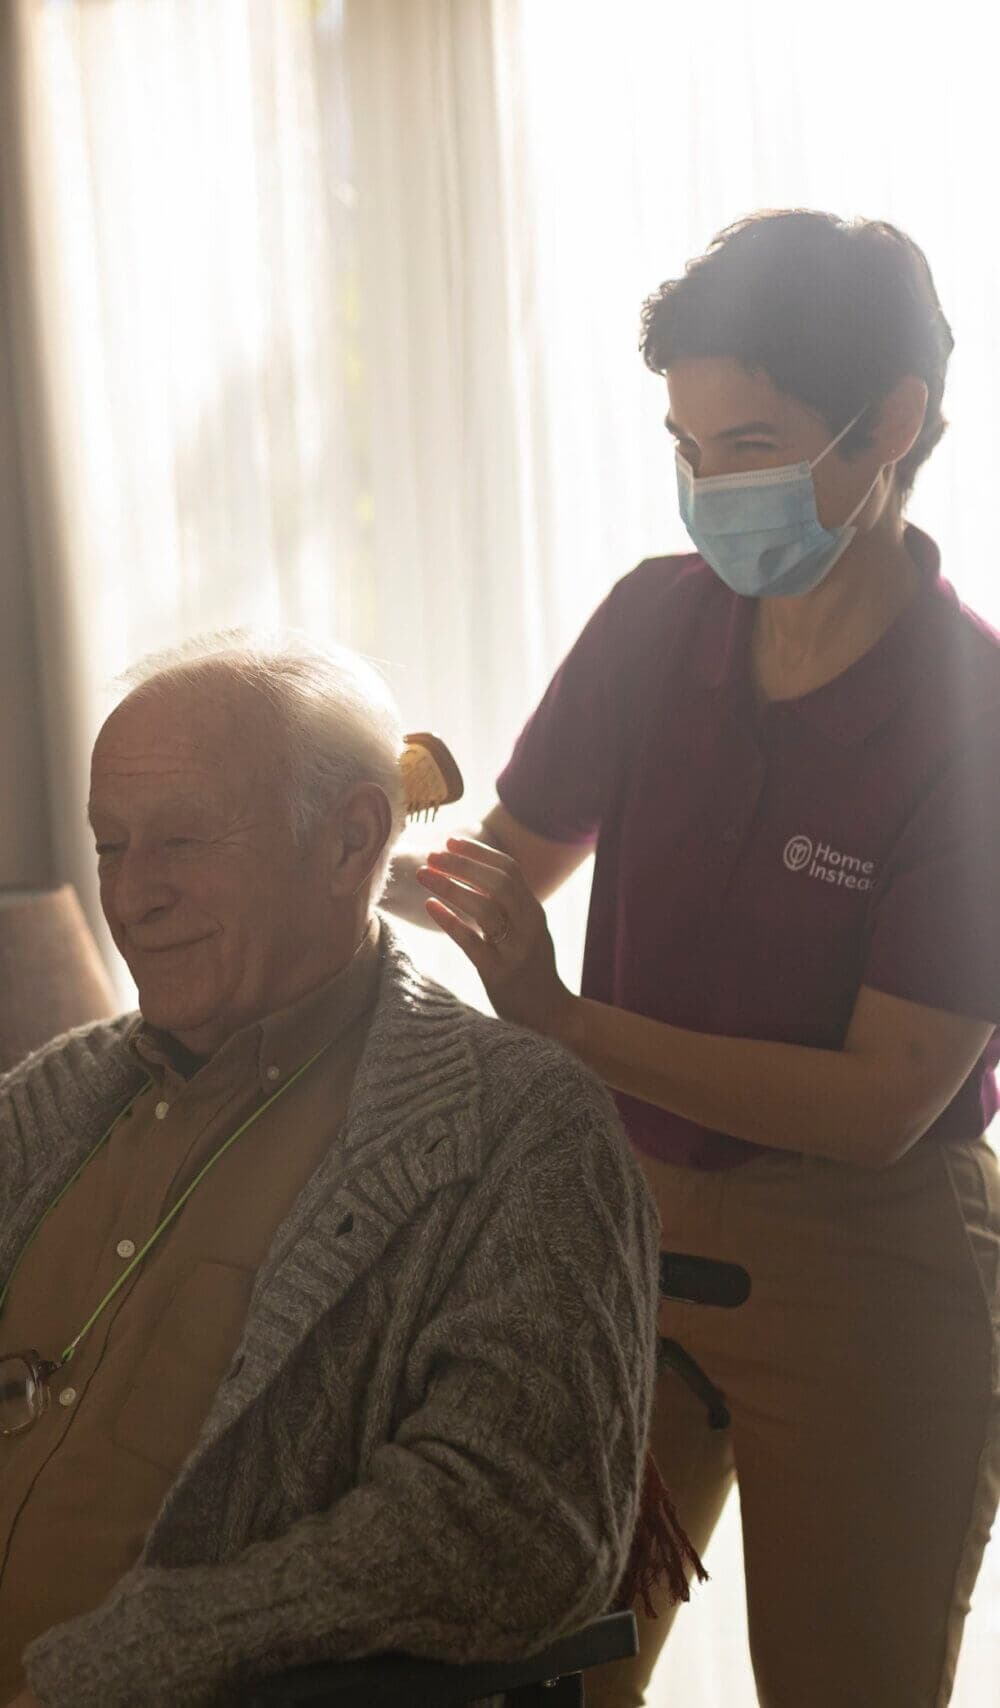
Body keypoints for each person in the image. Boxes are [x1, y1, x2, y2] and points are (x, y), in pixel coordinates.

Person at [385, 211, 1000, 1708]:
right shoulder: (659, 625)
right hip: (623, 1225)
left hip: (869, 1261)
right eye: (686, 440)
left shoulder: (969, 717)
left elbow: (880, 1104)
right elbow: (509, 862)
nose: (709, 485)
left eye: (752, 442)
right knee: (539, 1661)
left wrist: (567, 1023)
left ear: (890, 428)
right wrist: (338, 847)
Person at [0, 634, 662, 1708]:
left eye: (180, 841)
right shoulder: (48, 1099)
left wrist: (124, 1666)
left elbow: (514, 1526)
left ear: (353, 839)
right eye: (112, 845)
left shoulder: (515, 1128)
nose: (131, 898)